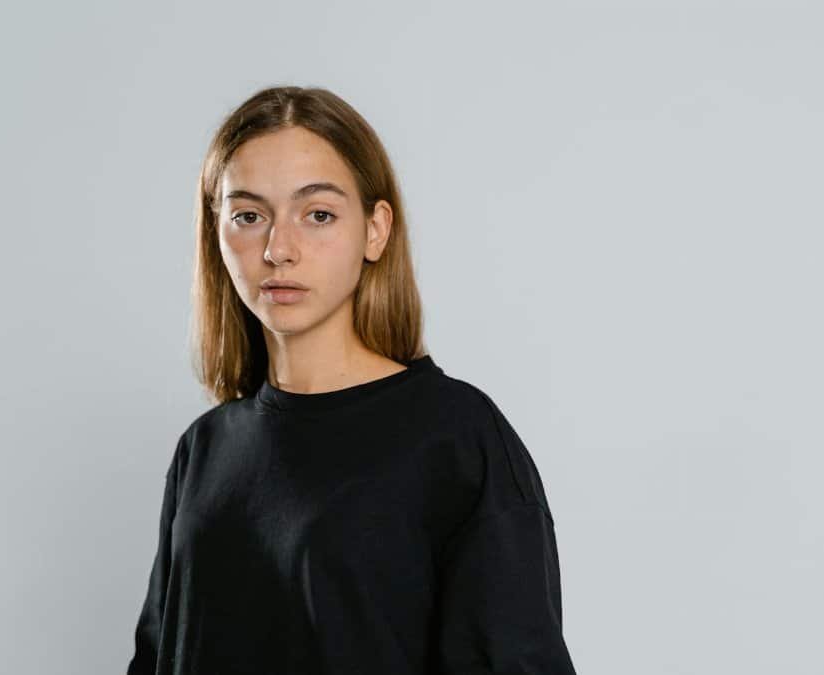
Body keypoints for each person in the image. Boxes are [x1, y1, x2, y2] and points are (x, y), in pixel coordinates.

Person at [125, 85, 578, 675]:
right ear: (216, 233)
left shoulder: (457, 440)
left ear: (375, 229)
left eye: (318, 214)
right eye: (248, 216)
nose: (278, 249)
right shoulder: (205, 450)